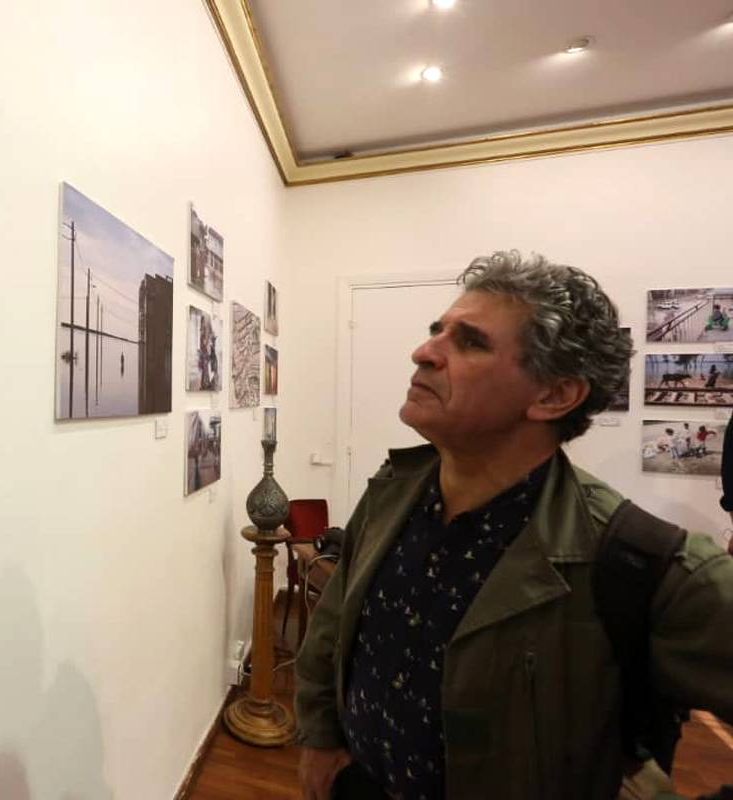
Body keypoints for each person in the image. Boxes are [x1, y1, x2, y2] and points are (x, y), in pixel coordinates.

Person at [295, 250, 733, 800]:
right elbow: (336, 619)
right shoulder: (393, 488)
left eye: (470, 342)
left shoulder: (646, 563)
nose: (424, 352)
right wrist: (319, 736)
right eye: (436, 331)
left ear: (553, 395)